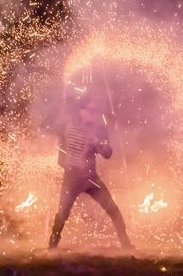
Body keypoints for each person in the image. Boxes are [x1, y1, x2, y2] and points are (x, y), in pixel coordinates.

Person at [49, 96, 133, 249]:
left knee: (112, 209)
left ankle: (126, 244)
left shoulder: (99, 131)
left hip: (91, 178)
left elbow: (108, 153)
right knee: (62, 213)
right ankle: (52, 245)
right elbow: (61, 154)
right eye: (89, 110)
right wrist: (68, 165)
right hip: (72, 179)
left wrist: (98, 144)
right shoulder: (69, 128)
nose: (92, 114)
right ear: (81, 111)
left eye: (95, 111)